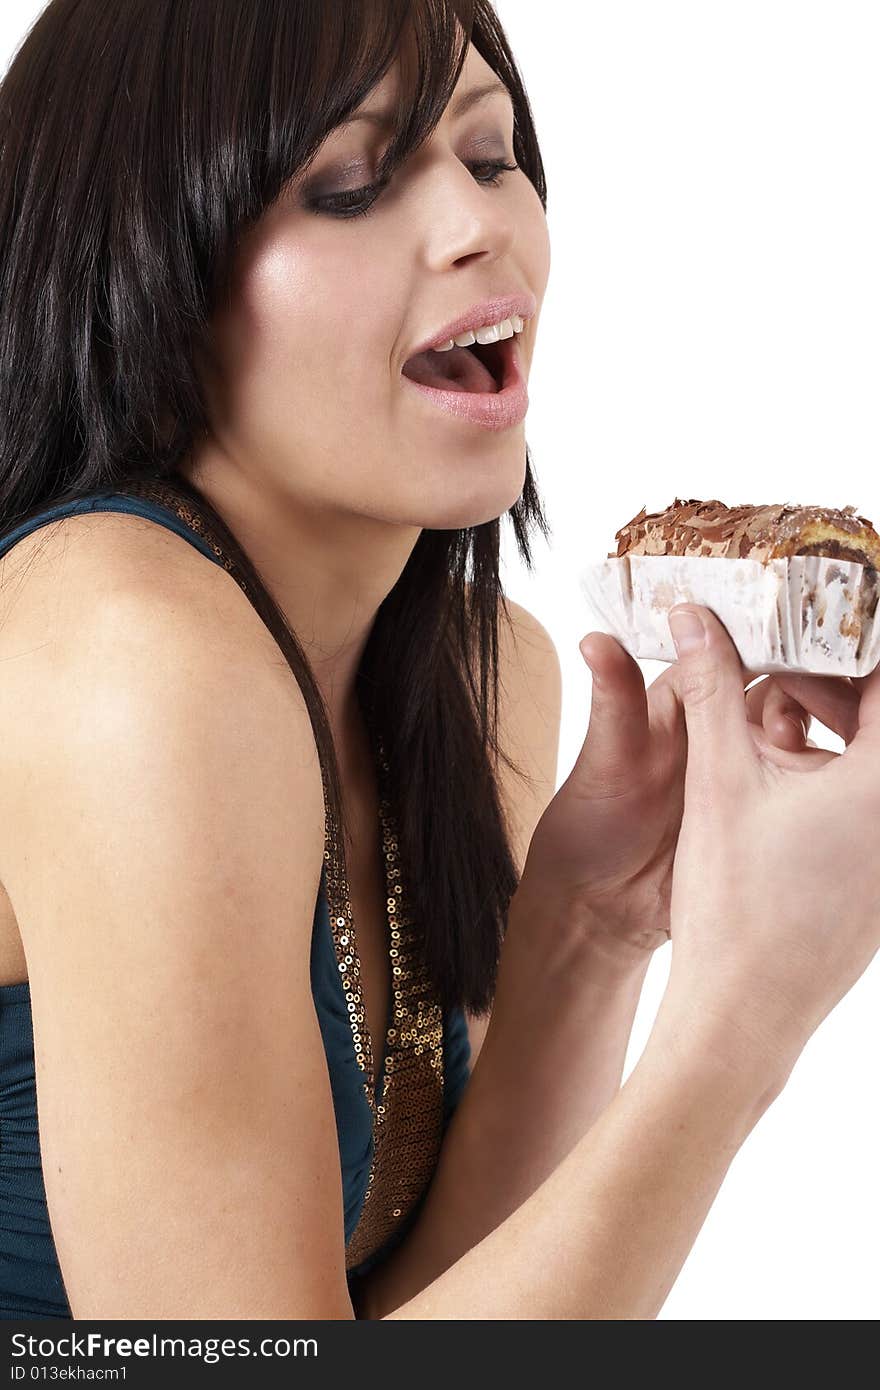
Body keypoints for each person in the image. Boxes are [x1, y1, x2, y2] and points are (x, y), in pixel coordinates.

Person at [0, 0, 875, 1321]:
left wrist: (591, 926)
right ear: (143, 269)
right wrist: (746, 1015)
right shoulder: (120, 644)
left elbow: (419, 1313)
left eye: (488, 154)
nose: (479, 228)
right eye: (350, 184)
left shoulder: (487, 677)